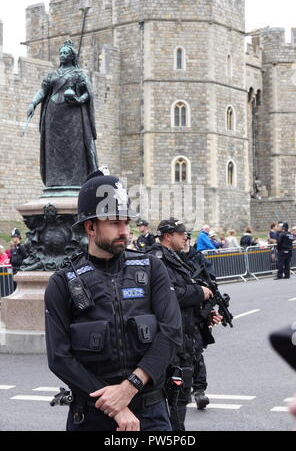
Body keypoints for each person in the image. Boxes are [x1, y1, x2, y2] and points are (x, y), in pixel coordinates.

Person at [44, 170, 182, 432]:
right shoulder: (62, 282)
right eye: (115, 223)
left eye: (126, 222)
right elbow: (60, 357)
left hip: (150, 415)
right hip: (91, 416)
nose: (124, 231)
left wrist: (130, 387)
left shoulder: (152, 269)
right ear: (91, 226)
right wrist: (115, 405)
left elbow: (171, 333)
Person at [148, 219, 222, 430]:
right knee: (173, 399)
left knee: (180, 398)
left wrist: (205, 315)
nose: (186, 237)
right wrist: (198, 292)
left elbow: (184, 301)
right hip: (171, 341)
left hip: (186, 338)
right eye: (181, 233)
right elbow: (170, 295)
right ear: (167, 235)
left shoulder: (177, 259)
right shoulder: (157, 259)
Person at [26, 39, 98, 187]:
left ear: (72, 56)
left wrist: (79, 100)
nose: (62, 55)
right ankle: (54, 181)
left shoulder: (79, 74)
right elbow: (43, 91)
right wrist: (33, 103)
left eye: (65, 53)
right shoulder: (53, 74)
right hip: (53, 114)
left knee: (74, 148)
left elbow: (88, 93)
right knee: (53, 149)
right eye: (61, 53)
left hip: (73, 116)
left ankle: (77, 181)